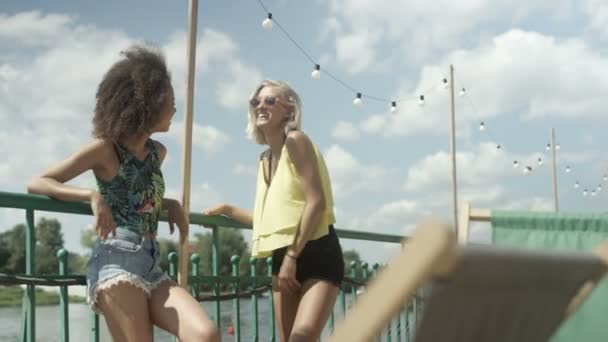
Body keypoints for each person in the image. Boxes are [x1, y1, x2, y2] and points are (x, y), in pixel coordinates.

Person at [27, 44, 219, 342]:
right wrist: (91, 196)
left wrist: (167, 203)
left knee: (205, 335)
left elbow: (138, 195)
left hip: (151, 262)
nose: (175, 109)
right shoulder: (105, 149)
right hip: (116, 260)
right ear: (146, 103)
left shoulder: (158, 152)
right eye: (169, 100)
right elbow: (38, 182)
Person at [204, 79, 344, 341]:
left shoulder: (296, 141)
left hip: (316, 251)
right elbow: (270, 220)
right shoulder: (264, 160)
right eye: (256, 102)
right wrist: (228, 209)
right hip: (283, 258)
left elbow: (317, 202)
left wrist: (292, 257)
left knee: (300, 338)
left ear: (289, 111)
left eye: (270, 101)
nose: (260, 106)